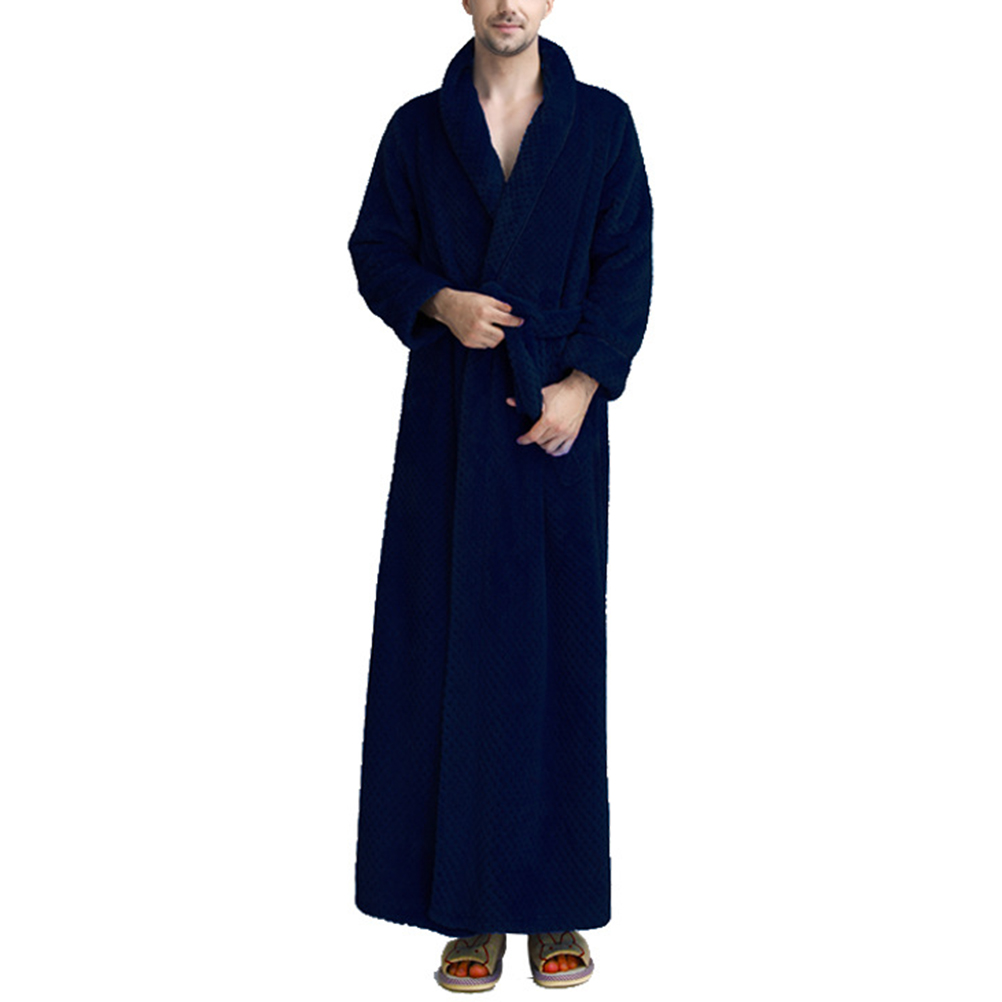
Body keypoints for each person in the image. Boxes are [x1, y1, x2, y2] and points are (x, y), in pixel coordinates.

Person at [347, 0, 653, 989]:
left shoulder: (601, 124)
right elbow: (375, 249)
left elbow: (627, 261)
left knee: (555, 653)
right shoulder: (416, 128)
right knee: (450, 648)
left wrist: (585, 383)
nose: (509, 4)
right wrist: (439, 301)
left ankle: (555, 899)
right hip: (451, 417)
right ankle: (469, 908)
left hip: (553, 417)